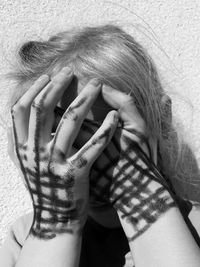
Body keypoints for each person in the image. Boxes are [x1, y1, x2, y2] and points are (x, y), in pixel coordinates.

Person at [0, 24, 200, 267]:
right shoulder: (25, 240)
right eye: (59, 141)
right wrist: (56, 220)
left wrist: (140, 196)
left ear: (162, 121)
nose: (85, 166)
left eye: (105, 134)